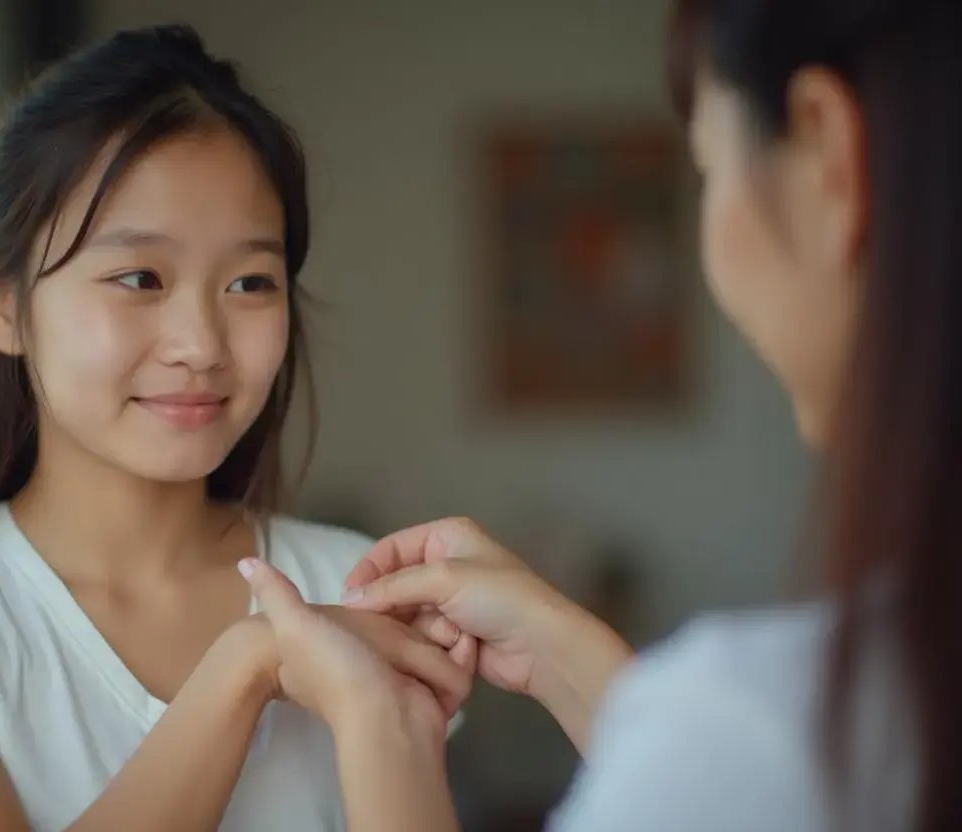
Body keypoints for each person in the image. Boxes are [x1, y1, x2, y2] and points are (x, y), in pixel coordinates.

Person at [241, 1, 962, 830]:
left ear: (827, 150)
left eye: (707, 172)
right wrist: (571, 656)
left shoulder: (787, 723)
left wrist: (378, 722)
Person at [0, 26, 473, 832]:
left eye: (250, 282)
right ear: (0, 302)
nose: (201, 345)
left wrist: (376, 715)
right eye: (139, 277)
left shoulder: (356, 586)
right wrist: (246, 664)